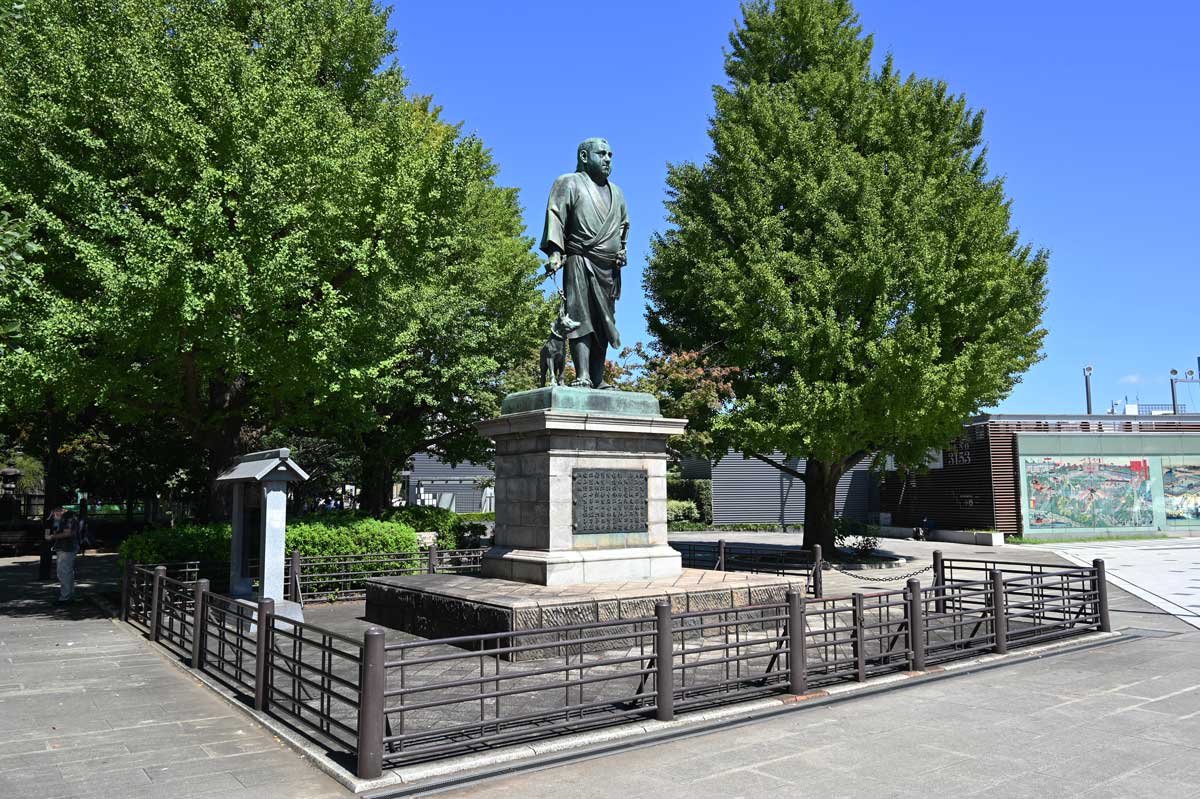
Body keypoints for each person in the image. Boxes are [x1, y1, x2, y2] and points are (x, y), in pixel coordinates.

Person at [541, 137, 629, 389]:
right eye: (601, 154)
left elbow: (623, 227)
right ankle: (582, 375)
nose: (607, 159)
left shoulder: (617, 193)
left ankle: (598, 378)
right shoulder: (568, 182)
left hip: (608, 267)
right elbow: (556, 215)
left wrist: (622, 251)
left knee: (604, 321)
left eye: (610, 155)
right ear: (584, 156)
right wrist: (555, 252)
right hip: (579, 259)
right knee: (580, 317)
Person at [44, 506, 79, 604]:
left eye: (55, 513)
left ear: (60, 510)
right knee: (67, 572)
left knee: (64, 573)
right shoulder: (67, 517)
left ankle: (65, 597)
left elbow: (67, 533)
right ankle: (69, 595)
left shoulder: (68, 518)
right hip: (65, 548)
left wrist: (52, 536)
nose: (54, 515)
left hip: (66, 548)